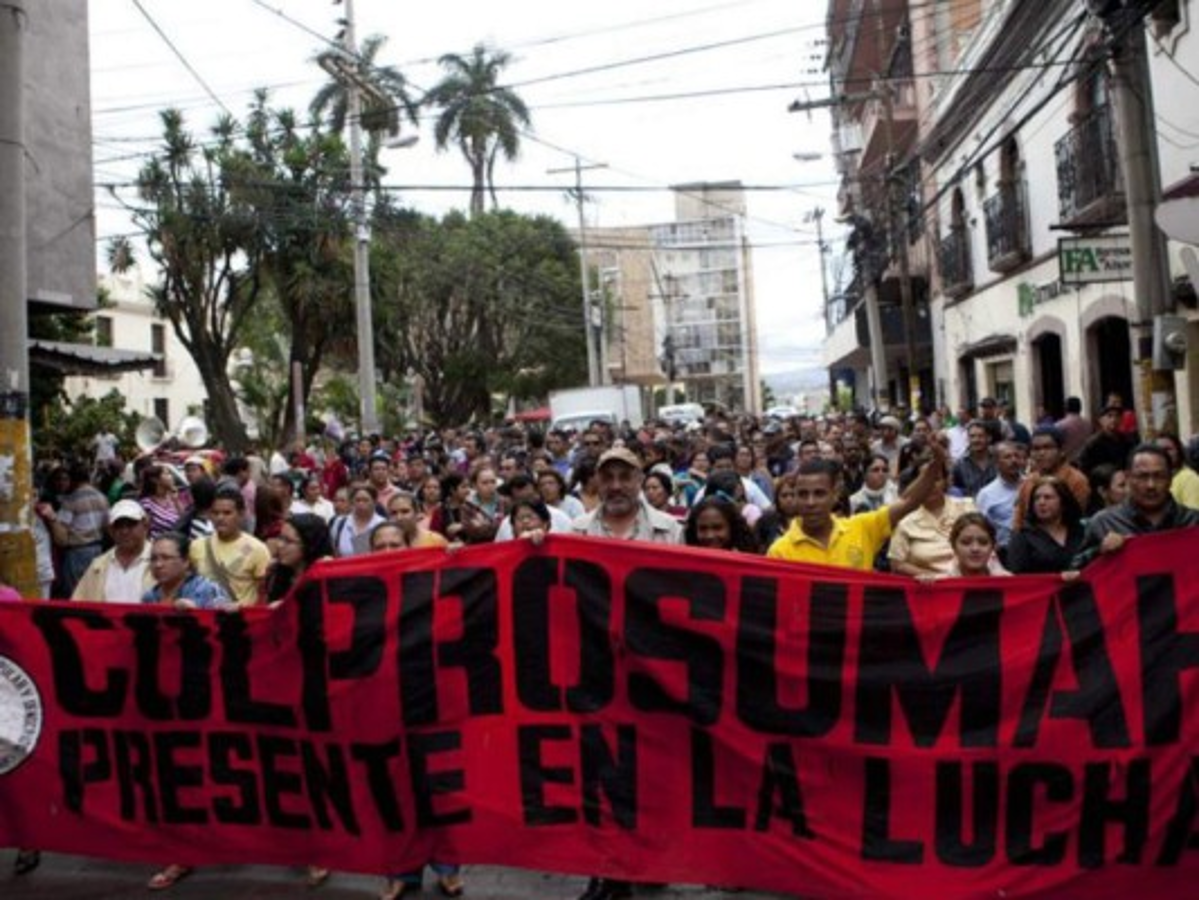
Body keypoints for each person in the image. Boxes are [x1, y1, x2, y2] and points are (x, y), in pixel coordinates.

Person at [570, 446, 681, 900]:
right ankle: (607, 867)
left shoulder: (671, 530)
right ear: (597, 482)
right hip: (595, 671)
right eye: (608, 477)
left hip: (652, 673)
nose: (616, 486)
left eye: (625, 476)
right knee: (599, 774)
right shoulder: (575, 532)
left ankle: (647, 857)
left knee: (649, 771)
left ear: (639, 480)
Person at [766, 442, 948, 570]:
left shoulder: (861, 528)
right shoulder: (780, 552)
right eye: (803, 494)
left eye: (819, 493)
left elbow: (908, 501)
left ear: (835, 495)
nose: (810, 502)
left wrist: (936, 464)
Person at [1073, 444, 1199, 569]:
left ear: (1170, 479)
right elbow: (1076, 572)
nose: (1151, 485)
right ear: (1128, 478)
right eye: (1142, 477)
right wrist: (1099, 552)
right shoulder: (1104, 523)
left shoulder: (1192, 521)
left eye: (1159, 476)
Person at [888, 458, 979, 578]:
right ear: (916, 484)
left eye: (936, 479)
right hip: (927, 585)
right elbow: (897, 564)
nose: (930, 485)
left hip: (969, 580)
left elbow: (985, 546)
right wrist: (930, 575)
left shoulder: (967, 507)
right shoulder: (906, 520)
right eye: (925, 480)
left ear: (946, 481)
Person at [189, 485, 271, 608]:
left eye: (227, 513)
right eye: (215, 513)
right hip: (204, 615)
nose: (220, 518)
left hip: (239, 616)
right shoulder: (197, 546)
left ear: (241, 514)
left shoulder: (257, 549)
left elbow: (263, 593)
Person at [36, 461, 110, 596]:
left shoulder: (71, 501)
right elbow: (107, 527)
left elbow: (61, 538)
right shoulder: (102, 498)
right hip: (98, 550)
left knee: (76, 594)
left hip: (77, 554)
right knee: (94, 591)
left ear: (73, 480)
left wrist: (52, 519)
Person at [71, 499, 154, 603]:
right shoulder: (98, 566)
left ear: (145, 526)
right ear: (111, 531)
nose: (124, 531)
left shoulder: (162, 560)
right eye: (118, 526)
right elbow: (79, 602)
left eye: (131, 524)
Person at [1012, 426, 1088, 531]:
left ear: (1061, 450)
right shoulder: (1028, 482)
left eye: (1047, 447)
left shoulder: (1076, 480)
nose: (1041, 453)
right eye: (1036, 449)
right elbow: (1018, 521)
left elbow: (1074, 519)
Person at [1006, 477, 1086, 575]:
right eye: (1036, 498)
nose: (1041, 502)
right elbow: (1017, 575)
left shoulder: (1079, 531)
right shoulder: (1022, 536)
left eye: (1048, 497)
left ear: (1063, 502)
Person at [141, 532, 234, 610]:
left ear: (186, 561)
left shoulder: (208, 589)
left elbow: (225, 618)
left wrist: (197, 612)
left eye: (166, 558)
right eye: (153, 559)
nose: (158, 565)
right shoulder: (149, 597)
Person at [264, 514, 335, 606]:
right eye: (280, 538)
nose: (279, 545)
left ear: (309, 545)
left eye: (288, 541)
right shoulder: (278, 572)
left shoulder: (324, 580)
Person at [974, 441, 1026, 554]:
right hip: (1004, 550)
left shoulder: (1031, 484)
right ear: (996, 463)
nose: (1014, 460)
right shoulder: (986, 494)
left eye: (1016, 456)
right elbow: (979, 526)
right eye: (1007, 457)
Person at [684, 495, 760, 553]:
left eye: (717, 528)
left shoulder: (747, 562)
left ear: (732, 528)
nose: (710, 536)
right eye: (703, 528)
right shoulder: (686, 563)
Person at [943, 513, 1008, 578]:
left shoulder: (1007, 580)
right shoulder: (942, 582)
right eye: (966, 542)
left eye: (983, 543)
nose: (975, 549)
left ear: (993, 546)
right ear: (953, 546)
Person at [331, 483, 387, 558]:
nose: (361, 504)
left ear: (374, 502)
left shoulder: (382, 524)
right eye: (357, 500)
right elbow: (335, 551)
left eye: (365, 500)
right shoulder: (340, 523)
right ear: (352, 502)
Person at [384, 492, 450, 549]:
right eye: (394, 513)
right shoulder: (383, 545)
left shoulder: (435, 540)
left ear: (417, 513)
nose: (399, 517)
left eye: (405, 511)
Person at [949, 421, 995, 499]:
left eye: (980, 436)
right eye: (972, 436)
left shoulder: (999, 459)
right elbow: (955, 491)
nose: (976, 440)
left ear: (989, 438)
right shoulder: (960, 464)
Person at [139, 464, 184, 538]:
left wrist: (176, 500)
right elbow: (145, 530)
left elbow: (184, 519)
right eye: (167, 474)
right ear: (155, 480)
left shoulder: (172, 499)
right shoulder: (147, 504)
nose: (171, 477)